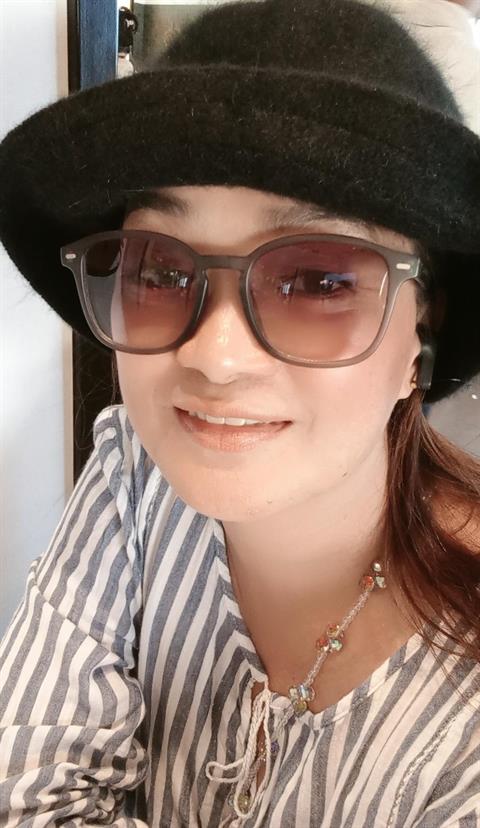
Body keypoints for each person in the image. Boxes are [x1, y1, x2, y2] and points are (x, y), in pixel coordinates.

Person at [0, 0, 479, 825]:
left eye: (319, 281)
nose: (215, 357)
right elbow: (27, 791)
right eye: (158, 270)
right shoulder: (135, 471)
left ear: (422, 327)